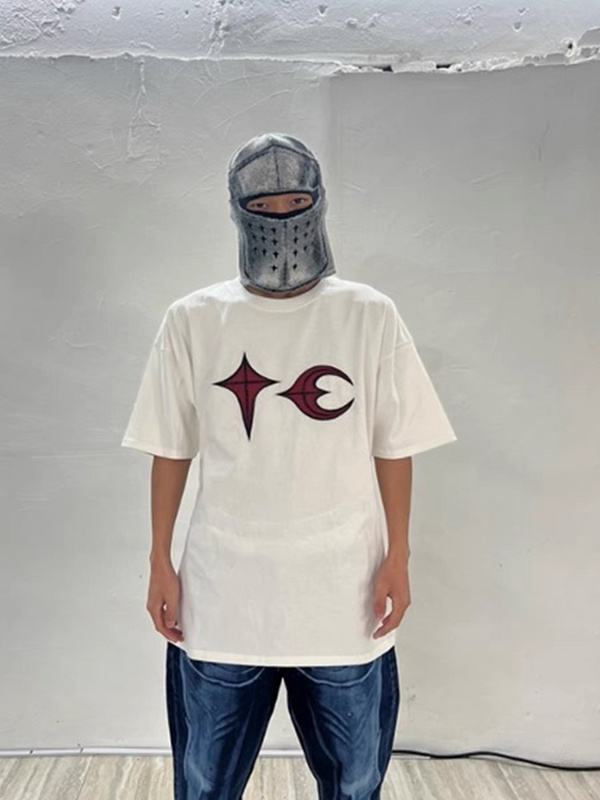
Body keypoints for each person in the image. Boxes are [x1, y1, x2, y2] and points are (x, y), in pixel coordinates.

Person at [120, 132, 457, 799]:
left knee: (355, 784)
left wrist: (398, 555)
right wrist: (160, 558)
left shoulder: (368, 315)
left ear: (318, 203)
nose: (281, 217)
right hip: (223, 596)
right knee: (204, 784)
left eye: (294, 202)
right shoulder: (194, 319)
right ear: (239, 210)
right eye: (265, 204)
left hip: (343, 595)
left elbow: (395, 445)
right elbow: (171, 447)